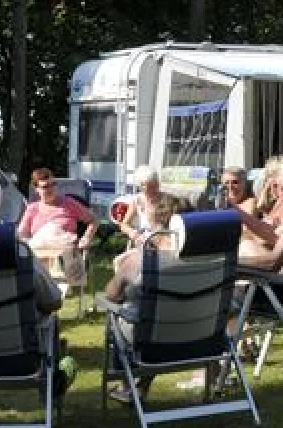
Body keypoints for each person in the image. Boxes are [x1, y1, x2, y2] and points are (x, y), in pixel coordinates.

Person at [0, 175, 78, 424]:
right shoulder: (20, 254)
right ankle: (50, 391)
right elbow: (53, 301)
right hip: (19, 355)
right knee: (49, 323)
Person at [102, 194, 180, 403]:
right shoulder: (204, 260)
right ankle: (142, 387)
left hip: (150, 338)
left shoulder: (140, 260)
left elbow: (111, 295)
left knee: (117, 318)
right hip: (197, 340)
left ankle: (127, 386)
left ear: (156, 224)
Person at [17, 167, 98, 285]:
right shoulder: (32, 208)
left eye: (53, 184)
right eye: (45, 186)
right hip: (40, 253)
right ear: (36, 189)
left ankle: (54, 283)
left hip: (65, 253)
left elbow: (93, 220)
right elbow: (22, 235)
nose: (51, 189)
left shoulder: (69, 203)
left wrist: (86, 238)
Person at [118, 165, 174, 248]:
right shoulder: (137, 201)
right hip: (145, 242)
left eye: (155, 186)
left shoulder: (168, 200)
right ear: (141, 186)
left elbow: (176, 223)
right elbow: (123, 224)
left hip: (164, 241)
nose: (153, 190)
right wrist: (132, 232)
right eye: (150, 187)